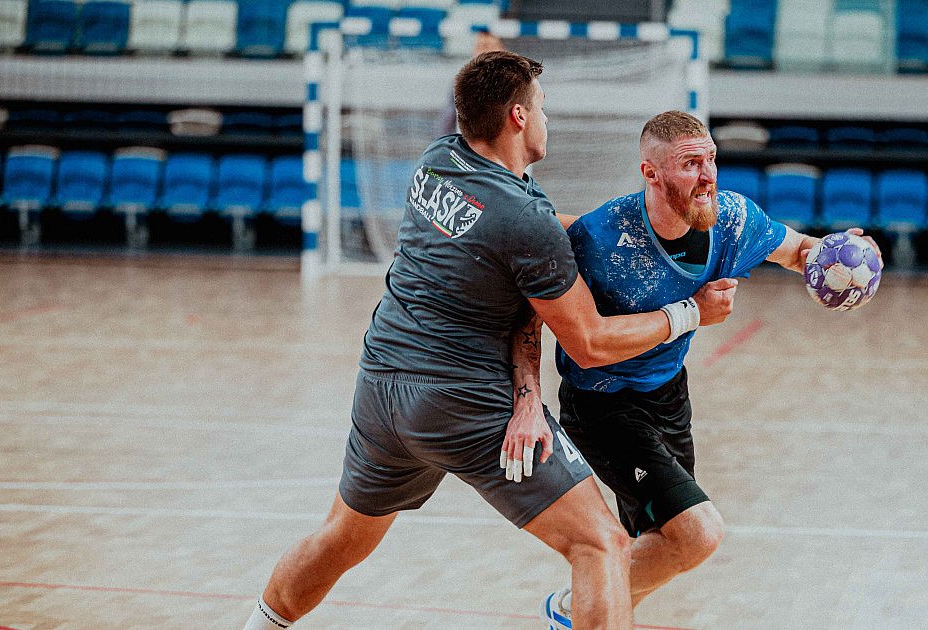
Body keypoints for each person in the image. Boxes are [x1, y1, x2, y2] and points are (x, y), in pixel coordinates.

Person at [242, 56, 740, 630]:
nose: (548, 122)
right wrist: (688, 313)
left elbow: (530, 232)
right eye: (544, 110)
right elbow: (591, 343)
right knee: (601, 546)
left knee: (341, 539)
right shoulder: (526, 221)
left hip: (381, 389)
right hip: (463, 401)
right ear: (519, 117)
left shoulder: (437, 162)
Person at [537, 110, 882, 623]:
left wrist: (841, 254)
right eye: (691, 164)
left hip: (669, 397)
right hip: (601, 405)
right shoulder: (603, 240)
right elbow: (571, 332)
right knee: (697, 533)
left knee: (661, 542)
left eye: (712, 160)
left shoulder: (735, 220)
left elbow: (799, 251)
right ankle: (577, 607)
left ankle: (599, 614)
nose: (708, 176)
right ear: (651, 173)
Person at [434, 30, 504, 138]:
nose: (486, 51)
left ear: (502, 50)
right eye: (481, 46)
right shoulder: (460, 83)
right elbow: (447, 120)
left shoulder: (514, 83)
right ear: (474, 51)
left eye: (490, 46)